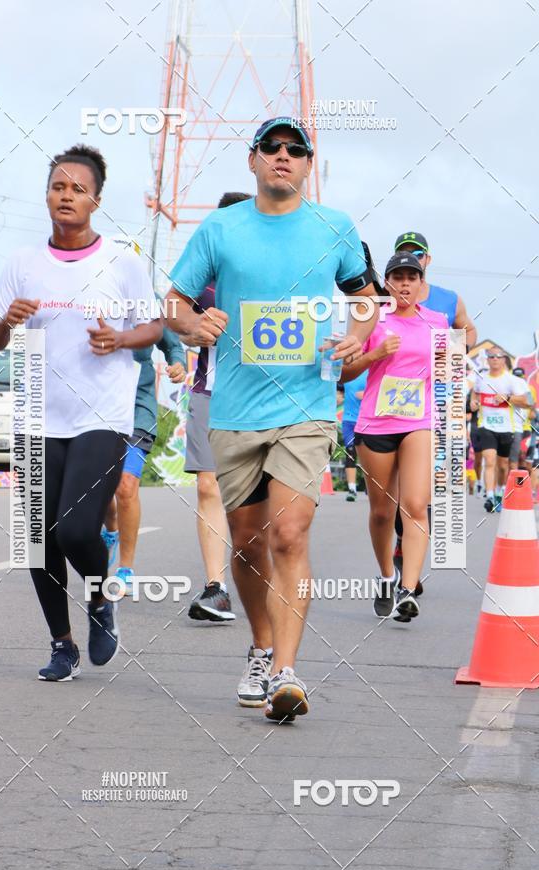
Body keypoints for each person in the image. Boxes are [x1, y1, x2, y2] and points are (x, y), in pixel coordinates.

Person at [164, 117, 379, 722]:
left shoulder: (334, 227)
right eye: (272, 148)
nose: (283, 157)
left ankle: (287, 670)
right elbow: (175, 299)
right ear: (253, 160)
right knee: (249, 543)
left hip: (306, 408)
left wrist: (356, 336)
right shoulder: (221, 227)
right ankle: (260, 645)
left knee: (289, 533)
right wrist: (192, 324)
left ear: (309, 164)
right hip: (234, 411)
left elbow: (365, 296)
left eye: (296, 149)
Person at [0, 144, 162, 681]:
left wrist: (120, 338)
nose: (67, 196)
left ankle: (102, 599)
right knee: (37, 539)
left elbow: (153, 327)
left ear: (96, 201)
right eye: (59, 187)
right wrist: (7, 322)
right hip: (37, 414)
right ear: (47, 196)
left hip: (101, 414)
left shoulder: (121, 263)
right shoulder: (21, 264)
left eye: (78, 189)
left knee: (77, 529)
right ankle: (62, 644)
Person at [342, 251, 448, 623]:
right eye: (398, 277)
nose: (405, 283)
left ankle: (408, 589)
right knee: (382, 512)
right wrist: (376, 356)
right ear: (387, 283)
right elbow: (343, 373)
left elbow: (446, 374)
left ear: (422, 285)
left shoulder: (438, 322)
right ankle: (387, 575)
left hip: (418, 422)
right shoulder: (372, 320)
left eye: (411, 278)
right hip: (375, 424)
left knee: (416, 505)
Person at [391, 231, 477, 579]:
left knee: (426, 490)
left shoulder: (448, 299)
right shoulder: (390, 296)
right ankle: (402, 544)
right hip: (395, 400)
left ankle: (411, 561)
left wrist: (457, 349)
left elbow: (468, 330)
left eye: (419, 255)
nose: (414, 259)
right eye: (406, 254)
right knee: (397, 489)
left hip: (441, 398)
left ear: (427, 261)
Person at [184, 192, 252, 623]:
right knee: (209, 488)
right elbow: (176, 322)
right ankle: (216, 588)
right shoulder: (202, 282)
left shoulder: (281, 277)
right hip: (210, 393)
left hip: (264, 401)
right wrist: (194, 332)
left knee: (253, 505)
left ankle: (262, 579)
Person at [101, 326, 187, 591]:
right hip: (97, 402)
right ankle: (111, 527)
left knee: (126, 485)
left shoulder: (147, 305)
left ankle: (125, 569)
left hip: (139, 405)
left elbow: (172, 344)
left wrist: (178, 364)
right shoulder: (92, 298)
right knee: (102, 488)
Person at [469, 350, 530, 513]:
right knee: (489, 460)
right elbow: (475, 392)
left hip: (508, 428)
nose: (495, 360)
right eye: (491, 357)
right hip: (486, 426)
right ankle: (489, 496)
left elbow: (529, 402)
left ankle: (500, 491)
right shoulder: (482, 379)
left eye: (498, 357)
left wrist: (508, 398)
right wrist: (473, 401)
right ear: (487, 361)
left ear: (504, 360)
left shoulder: (513, 381)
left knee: (504, 466)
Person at [341, 370, 367, 501]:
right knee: (350, 452)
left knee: (368, 456)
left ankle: (370, 485)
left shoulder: (372, 369)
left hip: (367, 420)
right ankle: (352, 489)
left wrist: (368, 394)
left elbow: (384, 391)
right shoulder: (346, 370)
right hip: (349, 420)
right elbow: (338, 391)